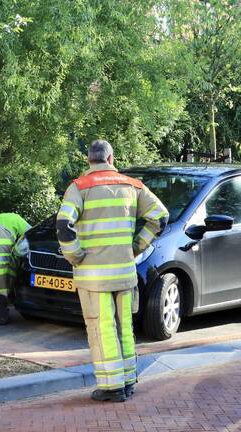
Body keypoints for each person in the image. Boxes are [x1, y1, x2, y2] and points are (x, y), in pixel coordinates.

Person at [56, 139, 168, 403]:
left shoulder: (78, 188)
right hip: (124, 273)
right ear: (111, 158)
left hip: (94, 277)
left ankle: (111, 387)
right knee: (125, 329)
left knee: (101, 328)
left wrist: (75, 256)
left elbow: (63, 224)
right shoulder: (133, 186)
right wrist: (136, 247)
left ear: (88, 160)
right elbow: (160, 217)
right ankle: (128, 381)